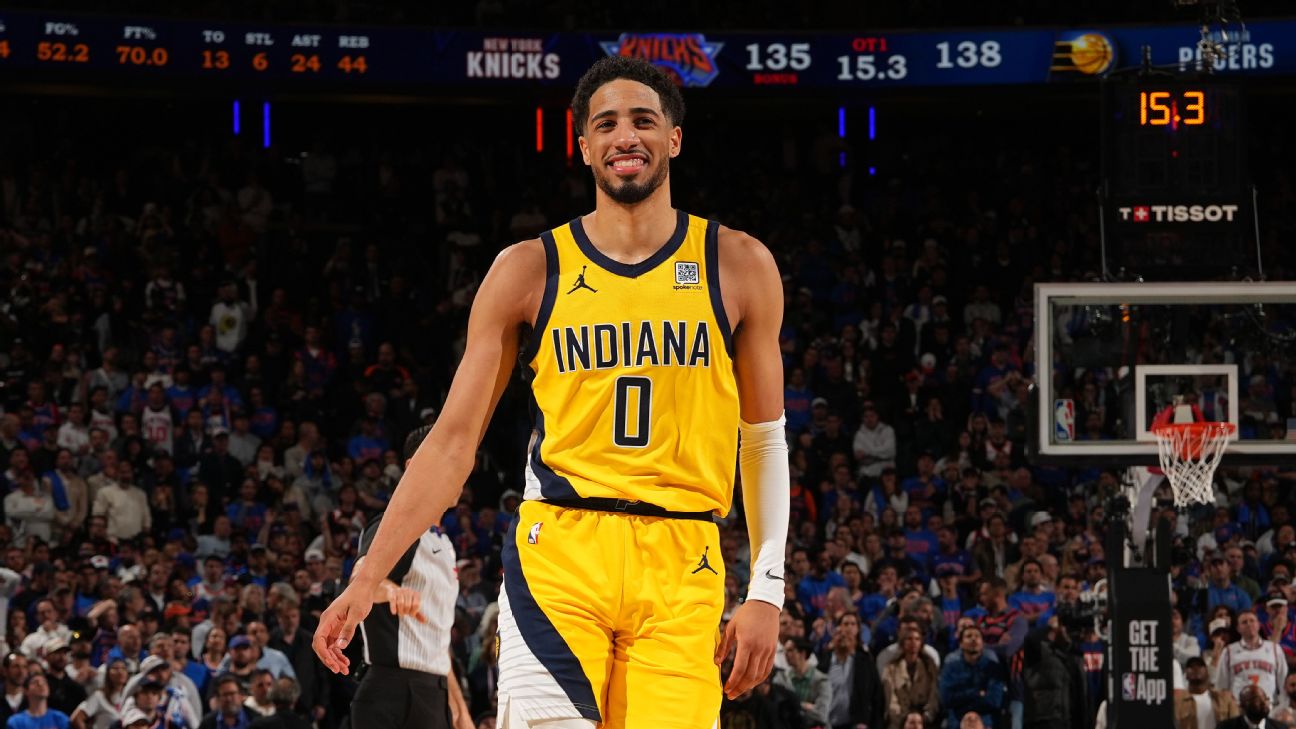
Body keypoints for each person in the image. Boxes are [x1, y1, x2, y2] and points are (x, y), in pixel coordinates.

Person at [313, 55, 789, 729]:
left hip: (685, 559)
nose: (626, 136)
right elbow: (452, 442)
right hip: (560, 553)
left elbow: (763, 441)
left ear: (674, 138)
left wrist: (766, 587)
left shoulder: (737, 263)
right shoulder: (528, 269)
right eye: (607, 123)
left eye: (643, 120)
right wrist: (368, 575)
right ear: (585, 145)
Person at [348, 425, 471, 729]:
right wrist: (390, 590)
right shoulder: (395, 525)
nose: (459, 470)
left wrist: (460, 709)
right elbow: (359, 578)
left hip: (432, 690)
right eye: (449, 459)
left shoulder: (443, 542)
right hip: (392, 691)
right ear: (414, 465)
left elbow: (437, 643)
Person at [938, 625, 1005, 729]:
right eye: (969, 636)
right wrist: (977, 693)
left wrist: (962, 699)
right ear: (961, 644)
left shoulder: (993, 668)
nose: (973, 639)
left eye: (977, 636)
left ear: (983, 643)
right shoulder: (951, 668)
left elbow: (995, 701)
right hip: (957, 720)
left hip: (985, 720)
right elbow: (946, 699)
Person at [1216, 610, 1287, 705]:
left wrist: (1284, 705)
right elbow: (1221, 685)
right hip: (1239, 707)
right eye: (1244, 622)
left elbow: (1284, 682)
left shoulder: (1274, 648)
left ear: (1259, 624)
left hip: (1269, 705)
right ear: (1238, 628)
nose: (1249, 624)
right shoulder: (1228, 651)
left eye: (1252, 620)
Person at [882, 629, 940, 729]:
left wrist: (925, 716)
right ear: (902, 643)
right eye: (909, 639)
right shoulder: (891, 668)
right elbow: (890, 698)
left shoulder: (929, 667)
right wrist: (904, 719)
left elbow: (934, 695)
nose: (913, 642)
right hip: (898, 721)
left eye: (917, 639)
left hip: (924, 721)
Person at [772, 638, 829, 728]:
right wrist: (806, 706)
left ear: (802, 653)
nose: (786, 654)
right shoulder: (781, 678)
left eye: (790, 650)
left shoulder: (821, 680)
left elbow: (822, 714)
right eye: (785, 651)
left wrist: (796, 705)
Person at [1175, 656, 1240, 729]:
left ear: (1207, 672)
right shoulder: (1177, 702)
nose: (1195, 668)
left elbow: (1236, 723)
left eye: (1200, 666)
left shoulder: (1224, 698)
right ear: (1186, 675)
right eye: (1191, 667)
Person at [69, 658, 127, 729]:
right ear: (107, 673)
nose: (120, 672)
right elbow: (76, 718)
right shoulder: (99, 696)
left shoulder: (129, 696)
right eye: (115, 668)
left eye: (123, 668)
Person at [1217, 684, 1290, 729]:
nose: (1264, 703)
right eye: (1257, 700)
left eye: (1266, 699)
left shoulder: (1280, 727)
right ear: (1242, 706)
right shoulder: (1225, 727)